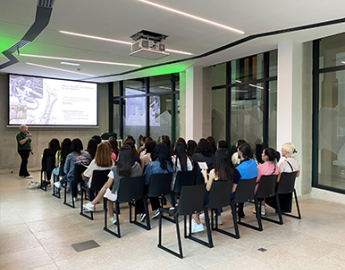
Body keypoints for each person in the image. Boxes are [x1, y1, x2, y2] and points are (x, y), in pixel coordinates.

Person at [83, 145, 142, 225]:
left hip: (120, 195)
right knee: (107, 189)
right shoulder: (137, 166)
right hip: (136, 194)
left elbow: (107, 186)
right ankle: (92, 204)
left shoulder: (115, 170)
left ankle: (110, 216)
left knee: (106, 190)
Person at [192, 149, 234, 233]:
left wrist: (205, 175)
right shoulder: (232, 171)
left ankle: (198, 223)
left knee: (194, 200)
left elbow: (208, 188)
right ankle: (198, 222)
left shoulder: (214, 172)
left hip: (212, 200)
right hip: (225, 198)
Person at [136, 143, 174, 221]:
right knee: (153, 186)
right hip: (166, 189)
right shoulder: (170, 165)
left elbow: (146, 181)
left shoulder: (152, 165)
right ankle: (157, 208)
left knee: (139, 189)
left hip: (153, 190)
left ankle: (142, 212)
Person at [266, 142, 300, 213]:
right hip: (290, 188)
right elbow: (297, 174)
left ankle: (262, 208)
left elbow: (278, 180)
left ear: (285, 151)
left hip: (280, 190)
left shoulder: (283, 164)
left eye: (282, 149)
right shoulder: (297, 162)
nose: (281, 150)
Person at [232, 143, 258, 218]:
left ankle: (218, 215)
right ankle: (240, 210)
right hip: (251, 192)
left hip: (239, 194)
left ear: (240, 152)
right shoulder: (254, 163)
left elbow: (234, 189)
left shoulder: (238, 169)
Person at [253, 147, 280, 216]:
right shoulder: (276, 167)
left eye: (263, 153)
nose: (261, 154)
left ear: (266, 157)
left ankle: (261, 208)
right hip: (271, 190)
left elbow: (256, 180)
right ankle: (262, 207)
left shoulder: (260, 167)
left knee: (258, 185)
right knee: (264, 186)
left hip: (259, 190)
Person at [169, 141, 193, 206]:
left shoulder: (173, 159)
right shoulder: (189, 159)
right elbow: (191, 170)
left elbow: (171, 170)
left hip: (175, 185)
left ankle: (173, 203)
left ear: (175, 148)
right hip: (187, 184)